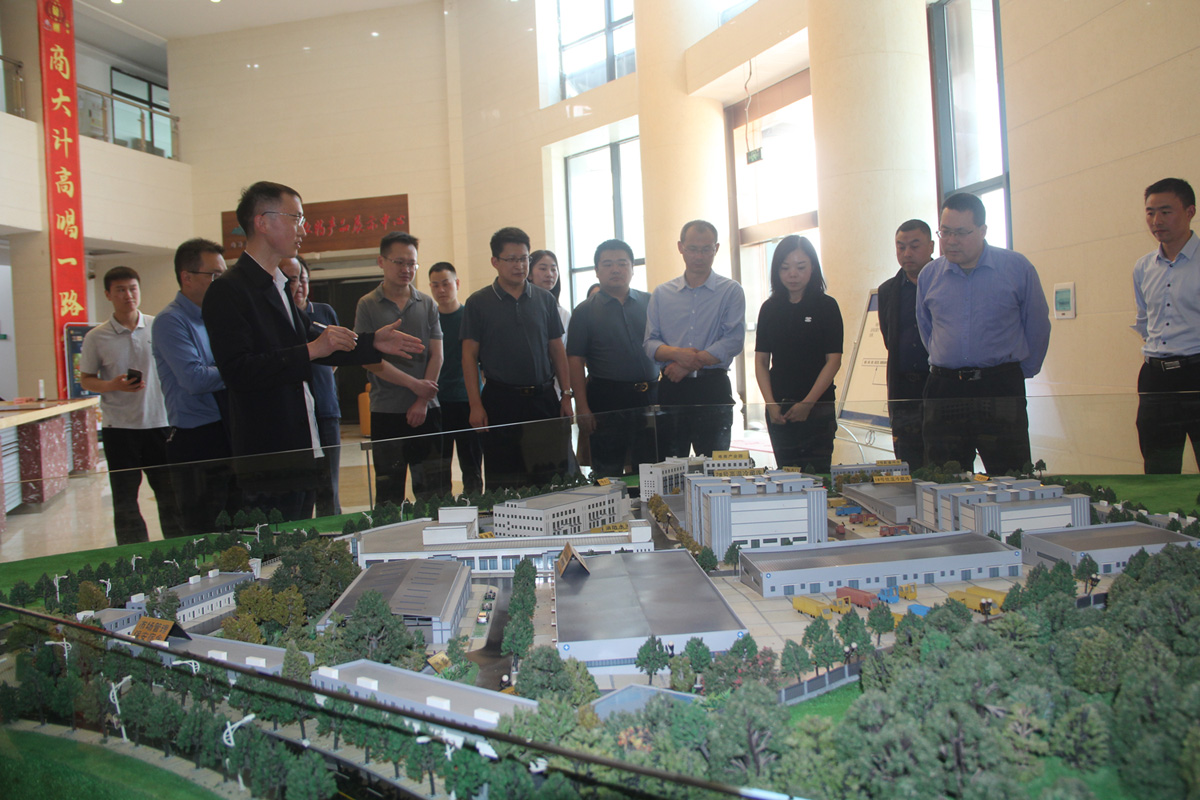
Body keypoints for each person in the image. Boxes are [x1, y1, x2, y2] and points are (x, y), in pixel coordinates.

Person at [203, 181, 424, 519]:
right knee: (276, 538)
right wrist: (311, 350)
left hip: (302, 438)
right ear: (262, 222)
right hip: (268, 448)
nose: (303, 230)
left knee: (303, 529)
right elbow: (238, 370)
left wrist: (371, 343)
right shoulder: (229, 290)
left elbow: (316, 339)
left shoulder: (277, 284)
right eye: (296, 218)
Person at [916, 192, 1051, 476]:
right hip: (945, 389)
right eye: (945, 232)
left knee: (1011, 476)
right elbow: (927, 329)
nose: (951, 240)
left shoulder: (1016, 268)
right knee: (943, 479)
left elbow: (1037, 326)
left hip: (999, 387)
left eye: (961, 232)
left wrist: (1018, 372)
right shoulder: (929, 275)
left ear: (983, 230)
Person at [462, 226, 573, 490]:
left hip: (543, 399)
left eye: (523, 259)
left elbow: (557, 350)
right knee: (505, 481)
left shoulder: (545, 300)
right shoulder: (478, 302)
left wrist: (566, 394)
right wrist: (475, 404)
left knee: (550, 477)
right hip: (501, 401)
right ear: (495, 261)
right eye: (511, 259)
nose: (519, 265)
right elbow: (468, 356)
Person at [80, 266, 182, 544]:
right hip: (119, 428)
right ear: (108, 294)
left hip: (160, 424)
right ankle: (133, 554)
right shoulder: (96, 337)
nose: (128, 295)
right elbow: (86, 379)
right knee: (125, 499)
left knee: (170, 495)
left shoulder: (158, 326)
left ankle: (178, 549)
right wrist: (112, 385)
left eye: (133, 288)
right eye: (121, 290)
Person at [152, 238, 238, 536]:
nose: (220, 282)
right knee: (204, 531)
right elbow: (195, 379)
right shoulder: (171, 321)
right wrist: (240, 367)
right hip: (197, 441)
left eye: (223, 275)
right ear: (186, 277)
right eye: (214, 275)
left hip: (227, 431)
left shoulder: (215, 316)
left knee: (236, 524)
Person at [354, 232, 444, 506]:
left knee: (432, 491)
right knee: (389, 493)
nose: (407, 269)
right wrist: (414, 385)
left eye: (412, 263)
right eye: (399, 262)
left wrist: (422, 400)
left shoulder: (427, 303)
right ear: (381, 261)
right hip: (387, 410)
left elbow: (437, 355)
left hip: (427, 409)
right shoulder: (367, 304)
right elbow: (369, 359)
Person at [644, 219, 746, 458]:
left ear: (716, 249)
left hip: (713, 388)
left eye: (706, 249)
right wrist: (678, 355)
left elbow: (733, 340)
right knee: (670, 465)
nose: (699, 256)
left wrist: (687, 365)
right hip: (672, 388)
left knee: (714, 465)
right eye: (692, 249)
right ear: (680, 247)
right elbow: (650, 343)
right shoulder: (662, 293)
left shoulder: (731, 291)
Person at [567, 239, 658, 478]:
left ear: (632, 268)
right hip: (606, 400)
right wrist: (582, 408)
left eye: (622, 263)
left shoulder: (650, 302)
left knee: (650, 469)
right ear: (597, 270)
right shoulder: (584, 311)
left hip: (649, 397)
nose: (615, 269)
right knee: (608, 473)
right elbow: (575, 360)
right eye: (607, 264)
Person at [754, 236, 843, 473]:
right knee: (787, 476)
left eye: (801, 267)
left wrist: (808, 404)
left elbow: (834, 360)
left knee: (818, 476)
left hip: (818, 407)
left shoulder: (827, 306)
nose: (792, 274)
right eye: (785, 268)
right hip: (779, 408)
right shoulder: (769, 308)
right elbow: (761, 361)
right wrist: (771, 404)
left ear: (813, 267)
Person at [1133, 177, 1200, 474]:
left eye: (1165, 211)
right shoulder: (1143, 267)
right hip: (1156, 379)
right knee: (1158, 471)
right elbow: (1146, 321)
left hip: (1196, 372)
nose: (1156, 220)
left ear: (1190, 212)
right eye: (1150, 212)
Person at [281, 256, 342, 515]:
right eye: (291, 280)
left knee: (329, 486)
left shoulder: (324, 312)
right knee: (302, 490)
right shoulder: (278, 316)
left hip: (326, 410)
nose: (299, 286)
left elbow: (337, 357)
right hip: (294, 416)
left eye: (303, 279)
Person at [878, 219, 935, 469]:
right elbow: (889, 338)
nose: (907, 253)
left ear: (931, 246)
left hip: (938, 385)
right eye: (901, 247)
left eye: (914, 246)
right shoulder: (887, 290)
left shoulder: (946, 283)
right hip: (903, 390)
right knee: (908, 462)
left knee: (942, 461)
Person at [428, 262, 483, 497]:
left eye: (446, 284)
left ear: (457, 283)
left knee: (472, 465)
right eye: (435, 285)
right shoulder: (429, 319)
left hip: (468, 400)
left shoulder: (470, 317)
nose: (441, 290)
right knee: (439, 467)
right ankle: (443, 509)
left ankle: (476, 506)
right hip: (437, 402)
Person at [529, 249, 570, 340]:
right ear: (529, 274)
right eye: (543, 269)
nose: (549, 274)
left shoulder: (563, 314)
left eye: (553, 269)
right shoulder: (522, 308)